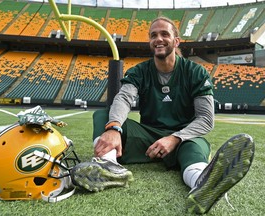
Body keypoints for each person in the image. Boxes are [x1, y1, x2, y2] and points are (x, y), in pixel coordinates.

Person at [71, 16, 255, 214]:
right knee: (103, 116)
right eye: (153, 35)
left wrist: (175, 138)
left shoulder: (196, 72)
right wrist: (114, 127)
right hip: (149, 139)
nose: (158, 39)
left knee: (193, 150)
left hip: (184, 137)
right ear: (150, 42)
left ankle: (201, 183)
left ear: (176, 41)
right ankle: (109, 166)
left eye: (164, 34)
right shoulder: (139, 71)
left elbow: (206, 119)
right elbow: (124, 98)